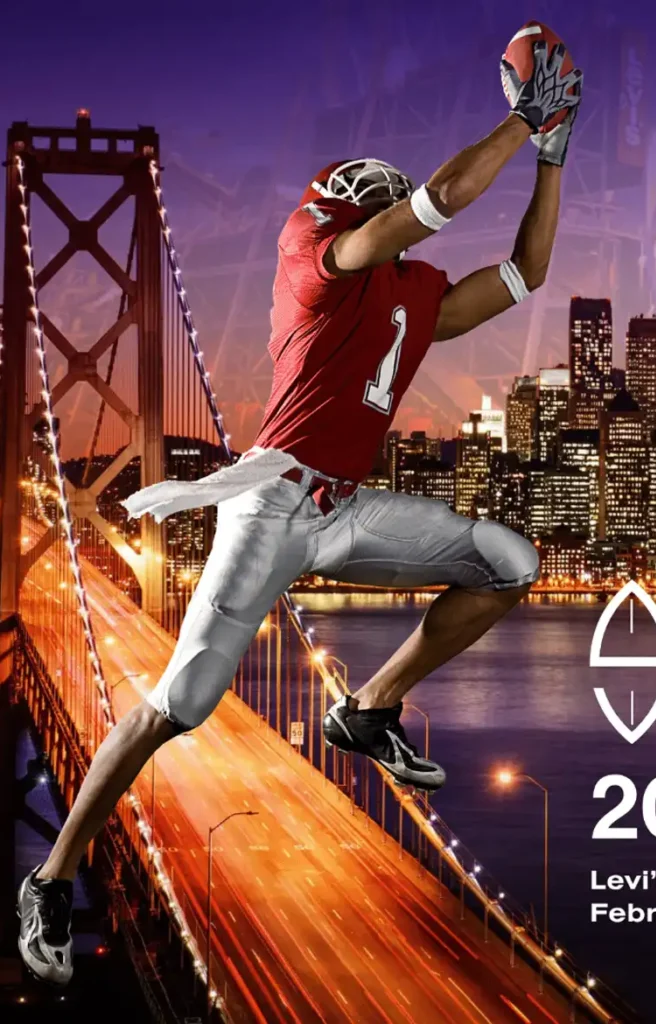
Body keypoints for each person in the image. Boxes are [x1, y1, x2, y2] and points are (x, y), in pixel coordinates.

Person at [18, 41, 581, 987]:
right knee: (177, 711)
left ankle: (367, 711)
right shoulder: (321, 260)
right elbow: (444, 198)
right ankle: (50, 875)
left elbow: (527, 269)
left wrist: (553, 155)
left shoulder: (408, 295)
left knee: (511, 564)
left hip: (344, 507)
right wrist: (526, 118)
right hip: (269, 509)